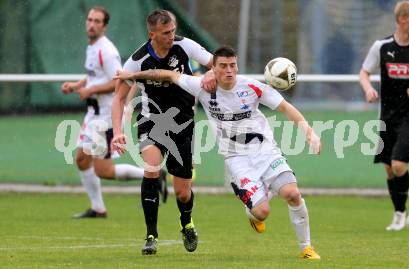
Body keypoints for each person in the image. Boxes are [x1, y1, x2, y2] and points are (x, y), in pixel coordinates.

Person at [114, 45, 322, 260]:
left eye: (233, 65)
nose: (229, 70)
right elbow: (166, 74)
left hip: (266, 151)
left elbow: (286, 108)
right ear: (214, 67)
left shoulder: (252, 87)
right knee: (262, 212)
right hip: (236, 158)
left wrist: (309, 133)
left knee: (292, 194)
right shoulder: (202, 87)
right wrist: (133, 75)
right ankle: (251, 204)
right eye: (223, 66)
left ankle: (306, 248)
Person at [111, 10, 214, 255]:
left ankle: (186, 223)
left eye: (173, 30)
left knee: (182, 191)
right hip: (151, 120)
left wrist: (210, 73)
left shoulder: (185, 47)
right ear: (152, 34)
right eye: (166, 33)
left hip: (182, 123)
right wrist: (117, 131)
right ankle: (151, 235)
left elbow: (214, 63)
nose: (171, 36)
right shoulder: (137, 60)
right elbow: (119, 97)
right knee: (152, 168)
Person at [61, 6, 150, 218]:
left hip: (104, 117)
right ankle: (98, 208)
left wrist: (90, 89)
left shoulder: (106, 50)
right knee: (82, 160)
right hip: (93, 115)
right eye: (90, 20)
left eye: (97, 21)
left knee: (103, 170)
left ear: (105, 26)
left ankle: (152, 175)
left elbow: (117, 81)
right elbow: (94, 76)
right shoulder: (92, 47)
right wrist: (76, 85)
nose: (92, 24)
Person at [359, 0, 409, 231]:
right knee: (388, 168)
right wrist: (369, 89)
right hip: (388, 113)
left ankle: (401, 214)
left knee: (398, 165)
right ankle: (400, 212)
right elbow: (364, 72)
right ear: (402, 20)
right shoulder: (382, 47)